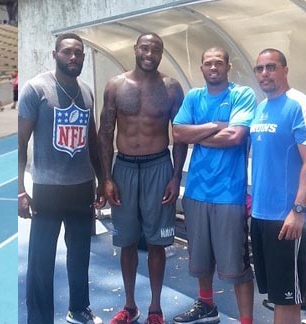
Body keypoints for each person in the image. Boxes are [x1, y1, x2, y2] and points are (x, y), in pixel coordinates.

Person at [97, 32, 187, 324]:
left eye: (156, 49)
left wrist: (176, 178)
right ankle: (130, 305)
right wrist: (106, 178)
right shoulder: (116, 86)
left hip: (158, 167)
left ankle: (156, 309)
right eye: (145, 48)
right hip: (123, 169)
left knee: (158, 243)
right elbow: (105, 131)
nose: (150, 53)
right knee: (126, 241)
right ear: (135, 49)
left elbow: (180, 135)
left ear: (161, 53)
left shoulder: (172, 88)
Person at [18, 32, 105, 324]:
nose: (74, 58)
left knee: (80, 254)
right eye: (67, 52)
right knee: (41, 260)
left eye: (79, 53)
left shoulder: (87, 92)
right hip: (47, 189)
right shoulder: (36, 89)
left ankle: (78, 308)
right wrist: (21, 190)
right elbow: (19, 143)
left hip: (82, 187)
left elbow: (92, 141)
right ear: (55, 54)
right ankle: (40, 318)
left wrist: (102, 179)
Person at [172, 47, 256, 324]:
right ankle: (207, 306)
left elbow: (234, 136)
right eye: (208, 63)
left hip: (228, 194)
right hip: (197, 192)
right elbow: (177, 132)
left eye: (218, 62)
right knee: (200, 260)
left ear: (228, 66)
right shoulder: (194, 97)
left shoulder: (241, 95)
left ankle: (246, 321)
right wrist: (213, 125)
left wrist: (196, 134)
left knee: (237, 266)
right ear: (201, 68)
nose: (213, 67)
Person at [249, 48, 306, 324]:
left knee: (287, 299)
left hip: (285, 219)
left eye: (271, 67)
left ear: (285, 70)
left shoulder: (296, 105)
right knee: (276, 296)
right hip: (260, 215)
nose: (264, 74)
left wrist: (298, 210)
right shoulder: (260, 108)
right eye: (259, 69)